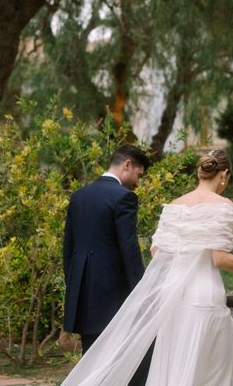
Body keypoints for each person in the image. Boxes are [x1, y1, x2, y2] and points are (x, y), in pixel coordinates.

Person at [61, 149, 233, 386]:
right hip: (203, 295)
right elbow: (220, 259)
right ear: (224, 174)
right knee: (207, 369)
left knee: (171, 366)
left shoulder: (175, 205)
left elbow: (156, 251)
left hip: (171, 298)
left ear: (200, 172)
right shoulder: (223, 205)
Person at [63, 144, 152, 385]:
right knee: (130, 357)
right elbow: (129, 249)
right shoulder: (124, 197)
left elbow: (68, 249)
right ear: (127, 165)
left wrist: (73, 287)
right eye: (138, 175)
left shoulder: (80, 195)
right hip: (114, 296)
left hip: (83, 294)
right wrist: (142, 291)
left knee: (91, 359)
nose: (137, 183)